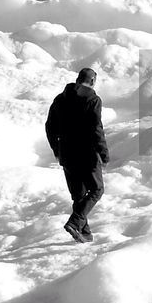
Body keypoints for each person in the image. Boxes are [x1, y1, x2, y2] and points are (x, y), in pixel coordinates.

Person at [45, 67, 109, 243]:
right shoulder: (93, 99)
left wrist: (57, 150)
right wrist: (104, 154)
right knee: (97, 189)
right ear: (93, 81)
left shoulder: (60, 99)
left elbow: (49, 127)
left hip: (67, 154)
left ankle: (84, 233)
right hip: (87, 154)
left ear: (77, 79)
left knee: (79, 195)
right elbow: (96, 128)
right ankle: (75, 222)